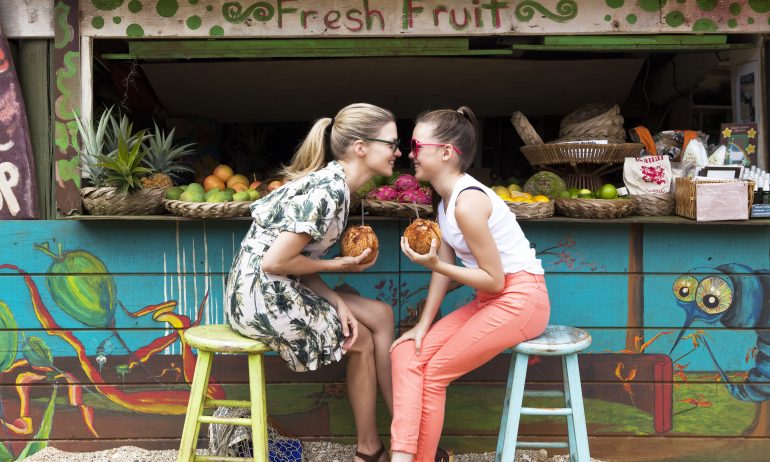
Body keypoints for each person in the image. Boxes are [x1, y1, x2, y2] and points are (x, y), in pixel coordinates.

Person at [225, 103, 400, 462]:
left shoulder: (337, 184)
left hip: (268, 287)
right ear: (361, 147)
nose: (398, 152)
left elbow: (296, 263)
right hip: (261, 298)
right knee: (362, 341)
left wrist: (335, 300)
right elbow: (276, 262)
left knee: (380, 314)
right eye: (391, 143)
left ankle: (403, 432)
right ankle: (370, 450)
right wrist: (341, 265)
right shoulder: (329, 192)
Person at [389, 107, 550, 462]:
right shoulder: (446, 202)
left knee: (433, 376)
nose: (410, 154)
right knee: (405, 352)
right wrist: (422, 326)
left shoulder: (468, 203)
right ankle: (402, 454)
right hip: (490, 301)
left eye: (416, 145)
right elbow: (443, 268)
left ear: (446, 152)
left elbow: (495, 280)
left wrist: (434, 264)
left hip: (521, 300)